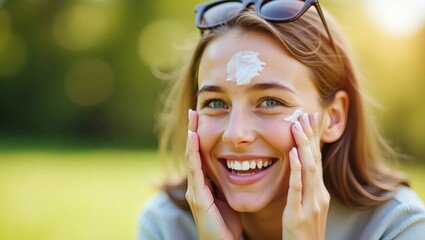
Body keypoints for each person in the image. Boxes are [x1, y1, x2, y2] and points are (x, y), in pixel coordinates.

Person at [138, 0, 425, 239]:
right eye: (215, 103)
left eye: (271, 102)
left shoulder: (396, 226)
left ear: (334, 118)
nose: (235, 133)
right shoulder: (166, 226)